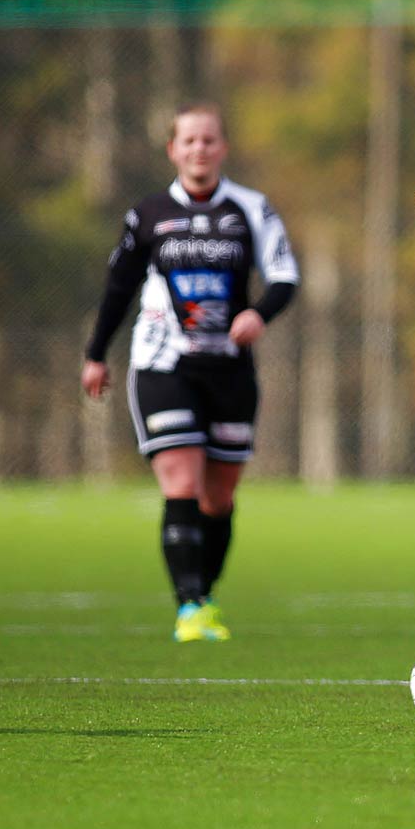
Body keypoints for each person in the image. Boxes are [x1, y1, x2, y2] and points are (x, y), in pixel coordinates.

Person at [81, 105, 299, 642]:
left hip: (229, 369)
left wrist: (258, 314)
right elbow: (118, 288)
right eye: (189, 141)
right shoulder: (148, 214)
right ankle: (189, 607)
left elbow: (284, 277)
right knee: (181, 480)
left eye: (208, 140)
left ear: (223, 148)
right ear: (173, 150)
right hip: (162, 365)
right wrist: (95, 353)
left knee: (219, 497)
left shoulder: (251, 208)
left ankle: (204, 592)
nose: (199, 149)